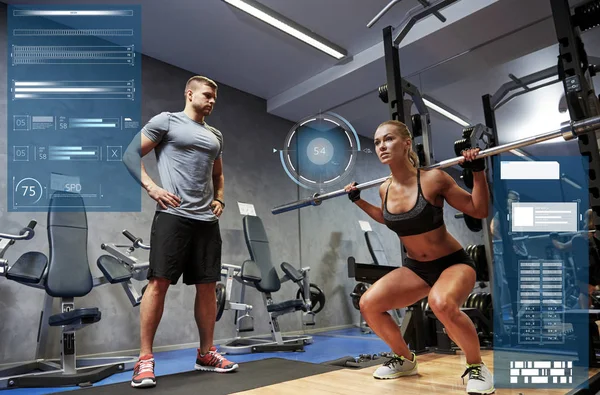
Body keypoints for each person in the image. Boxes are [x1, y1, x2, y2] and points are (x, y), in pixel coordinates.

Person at [344, 120, 494, 394]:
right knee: (369, 303)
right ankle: (405, 360)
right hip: (416, 268)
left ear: (406, 143)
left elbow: (478, 209)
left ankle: (476, 366)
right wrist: (358, 200)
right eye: (377, 142)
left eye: (388, 139)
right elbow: (388, 217)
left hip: (453, 263)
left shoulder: (434, 178)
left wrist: (478, 171)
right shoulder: (384, 188)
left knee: (441, 304)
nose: (381, 146)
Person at [123, 75, 238, 389]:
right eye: (207, 95)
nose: (212, 101)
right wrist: (152, 187)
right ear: (189, 93)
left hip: (206, 222)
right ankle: (144, 359)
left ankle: (206, 353)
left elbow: (219, 174)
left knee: (207, 286)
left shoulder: (216, 135)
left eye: (215, 97)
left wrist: (220, 199)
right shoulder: (167, 121)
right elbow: (130, 154)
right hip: (173, 216)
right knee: (158, 282)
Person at [550, 209, 600, 307]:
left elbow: (561, 247)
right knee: (586, 295)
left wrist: (553, 239)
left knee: (585, 294)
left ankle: (585, 316)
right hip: (593, 274)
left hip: (586, 274)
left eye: (585, 219)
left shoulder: (579, 237)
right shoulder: (579, 238)